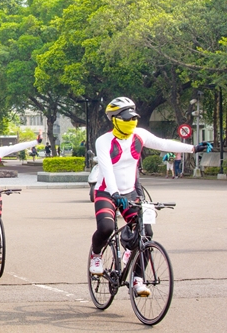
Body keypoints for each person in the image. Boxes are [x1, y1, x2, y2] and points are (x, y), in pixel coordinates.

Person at [89, 97, 211, 297]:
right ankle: (96, 255)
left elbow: (163, 144)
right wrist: (115, 193)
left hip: (130, 192)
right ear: (115, 119)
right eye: (126, 118)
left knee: (146, 234)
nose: (131, 122)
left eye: (133, 118)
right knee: (107, 227)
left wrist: (192, 148)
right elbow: (107, 170)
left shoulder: (140, 135)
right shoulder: (103, 141)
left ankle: (138, 280)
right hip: (107, 192)